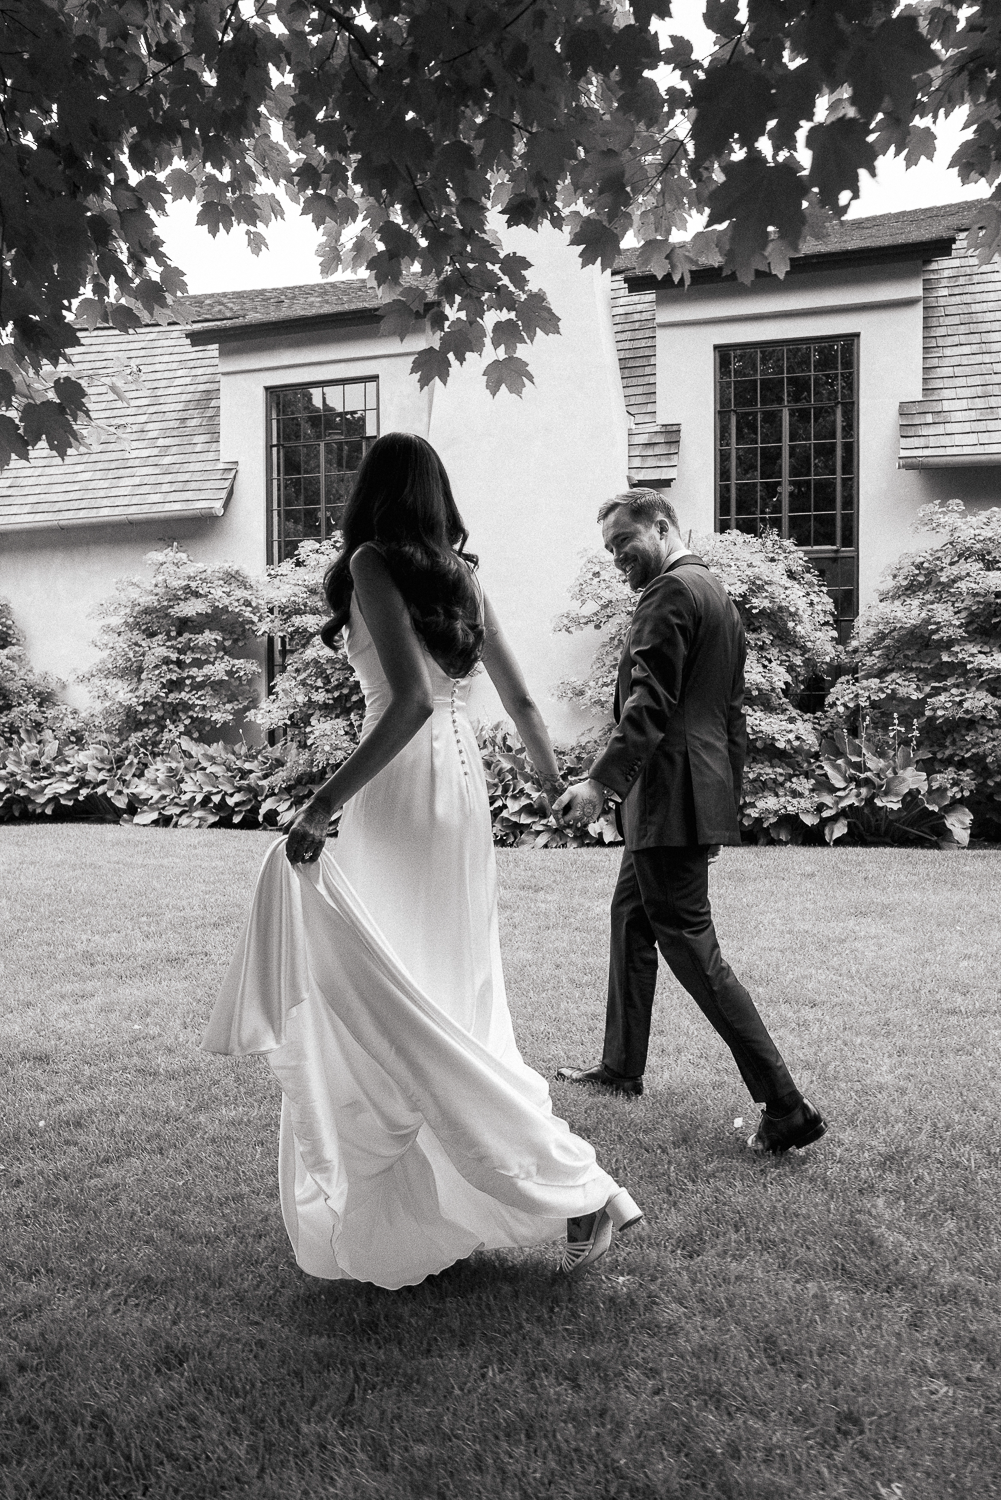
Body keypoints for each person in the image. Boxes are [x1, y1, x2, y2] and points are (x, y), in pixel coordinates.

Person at [202, 433, 642, 1287]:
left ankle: (578, 1185)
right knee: (448, 991)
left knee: (393, 994)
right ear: (435, 497)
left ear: (371, 494)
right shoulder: (459, 574)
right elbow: (516, 696)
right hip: (461, 786)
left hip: (403, 790)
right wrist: (555, 779)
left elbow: (403, 703)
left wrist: (322, 805)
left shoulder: (370, 561)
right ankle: (465, 1194)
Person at [554, 489, 827, 1155]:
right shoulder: (715, 593)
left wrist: (598, 782)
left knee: (691, 949)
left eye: (624, 541)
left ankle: (784, 1106)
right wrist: (717, 799)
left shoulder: (670, 594)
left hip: (669, 797)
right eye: (610, 548)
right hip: (689, 794)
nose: (618, 557)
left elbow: (647, 705)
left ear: (662, 524)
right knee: (631, 916)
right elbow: (729, 714)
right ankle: (620, 1068)